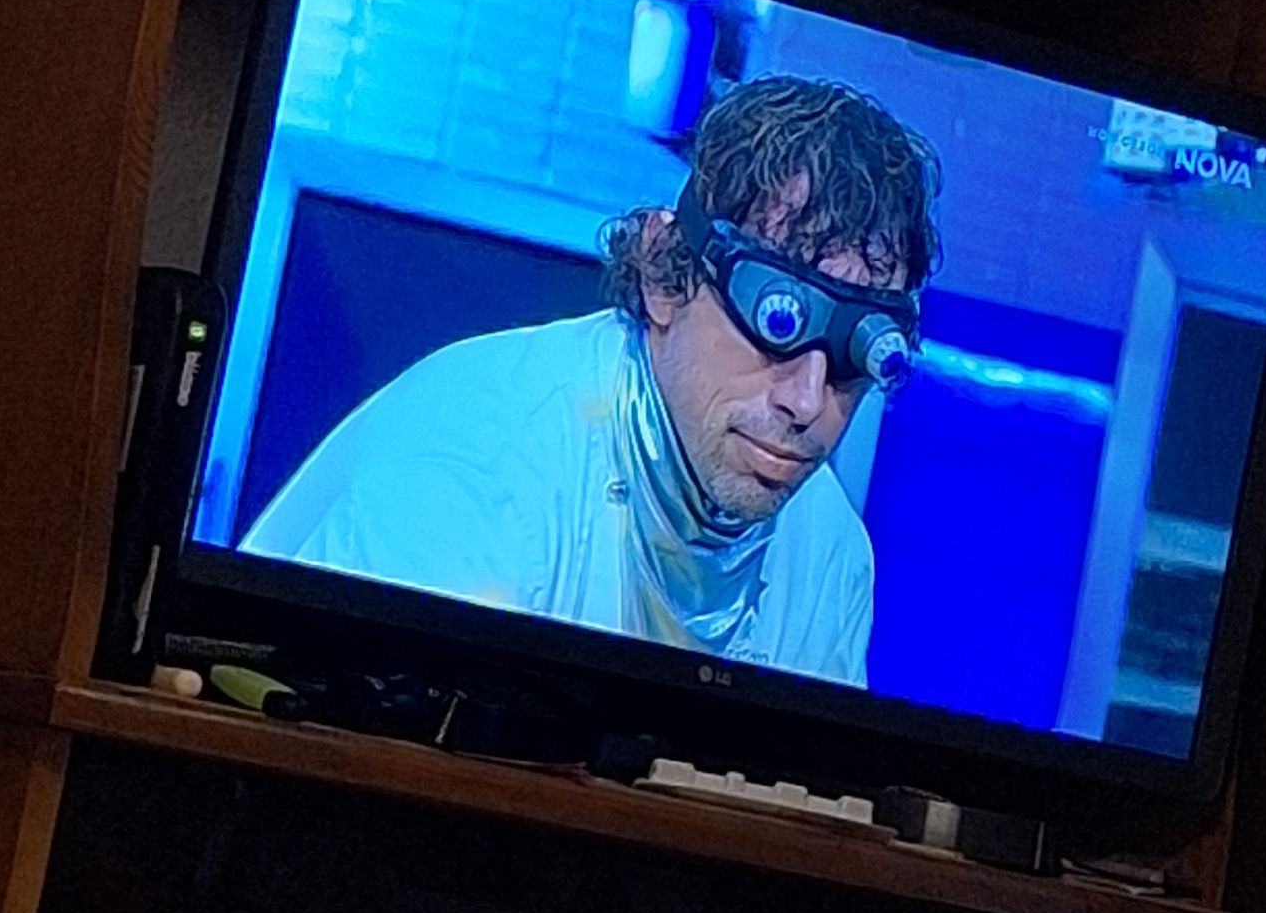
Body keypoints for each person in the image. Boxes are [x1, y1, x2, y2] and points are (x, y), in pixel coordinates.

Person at [243, 76, 941, 686]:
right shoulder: (478, 466)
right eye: (777, 323)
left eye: (855, 354)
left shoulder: (829, 552)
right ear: (666, 278)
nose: (807, 401)